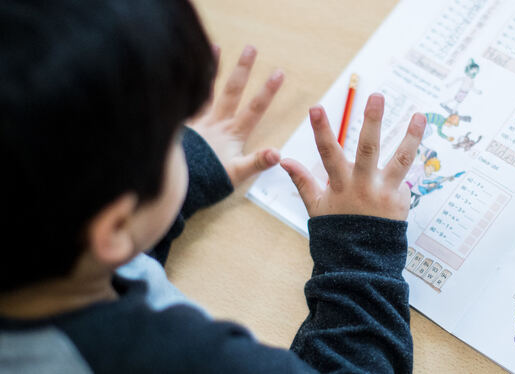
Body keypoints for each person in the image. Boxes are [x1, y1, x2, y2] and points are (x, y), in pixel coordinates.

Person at [0, 0, 427, 373]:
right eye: (173, 135)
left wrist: (177, 174)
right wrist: (361, 250)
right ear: (114, 227)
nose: (184, 138)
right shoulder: (169, 357)